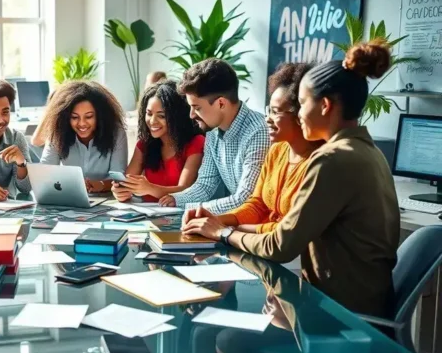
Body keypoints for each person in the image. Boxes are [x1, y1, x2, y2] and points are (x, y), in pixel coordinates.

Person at [182, 40, 399, 318]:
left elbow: (280, 245)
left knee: (223, 333)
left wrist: (222, 232)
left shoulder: (332, 160)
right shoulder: (365, 150)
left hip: (340, 313)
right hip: (343, 299)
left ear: (324, 106)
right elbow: (263, 210)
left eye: (303, 104)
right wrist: (220, 222)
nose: (298, 113)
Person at [203, 63, 322, 233]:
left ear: (301, 113)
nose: (268, 119)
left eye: (276, 112)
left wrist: (228, 230)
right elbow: (256, 205)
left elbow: (290, 230)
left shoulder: (320, 162)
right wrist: (214, 219)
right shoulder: (276, 151)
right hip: (257, 242)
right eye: (269, 111)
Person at [159, 59, 269, 217]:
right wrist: (175, 200)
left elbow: (245, 199)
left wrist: (193, 209)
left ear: (221, 104)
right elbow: (205, 185)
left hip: (259, 229)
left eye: (197, 108)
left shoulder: (259, 132)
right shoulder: (212, 132)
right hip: (235, 222)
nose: (191, 115)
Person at [112, 80, 205, 203]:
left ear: (177, 117)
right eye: (149, 114)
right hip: (147, 214)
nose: (152, 121)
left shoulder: (196, 142)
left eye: (161, 116)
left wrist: (150, 188)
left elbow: (185, 190)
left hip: (181, 213)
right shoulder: (144, 144)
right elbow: (127, 182)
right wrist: (120, 191)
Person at [39, 80, 128, 193]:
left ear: (100, 116)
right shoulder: (58, 132)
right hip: (69, 197)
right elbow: (45, 172)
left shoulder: (116, 132)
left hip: (107, 199)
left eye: (89, 116)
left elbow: (119, 177)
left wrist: (100, 185)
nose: (82, 123)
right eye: (75, 117)